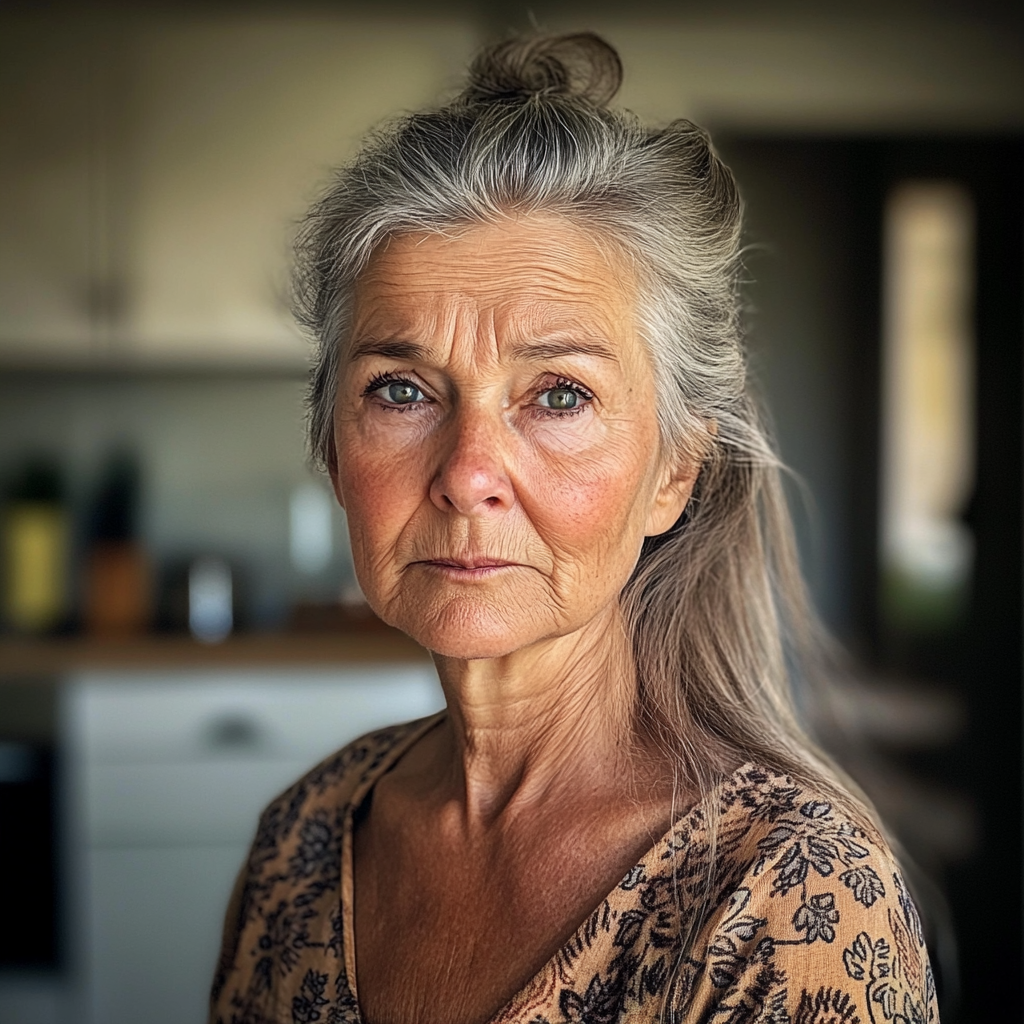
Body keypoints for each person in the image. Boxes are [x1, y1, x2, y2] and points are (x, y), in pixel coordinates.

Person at [210, 33, 937, 1024]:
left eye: (557, 394)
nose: (467, 474)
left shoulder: (785, 900)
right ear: (333, 452)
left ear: (672, 472)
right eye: (402, 389)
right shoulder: (303, 843)